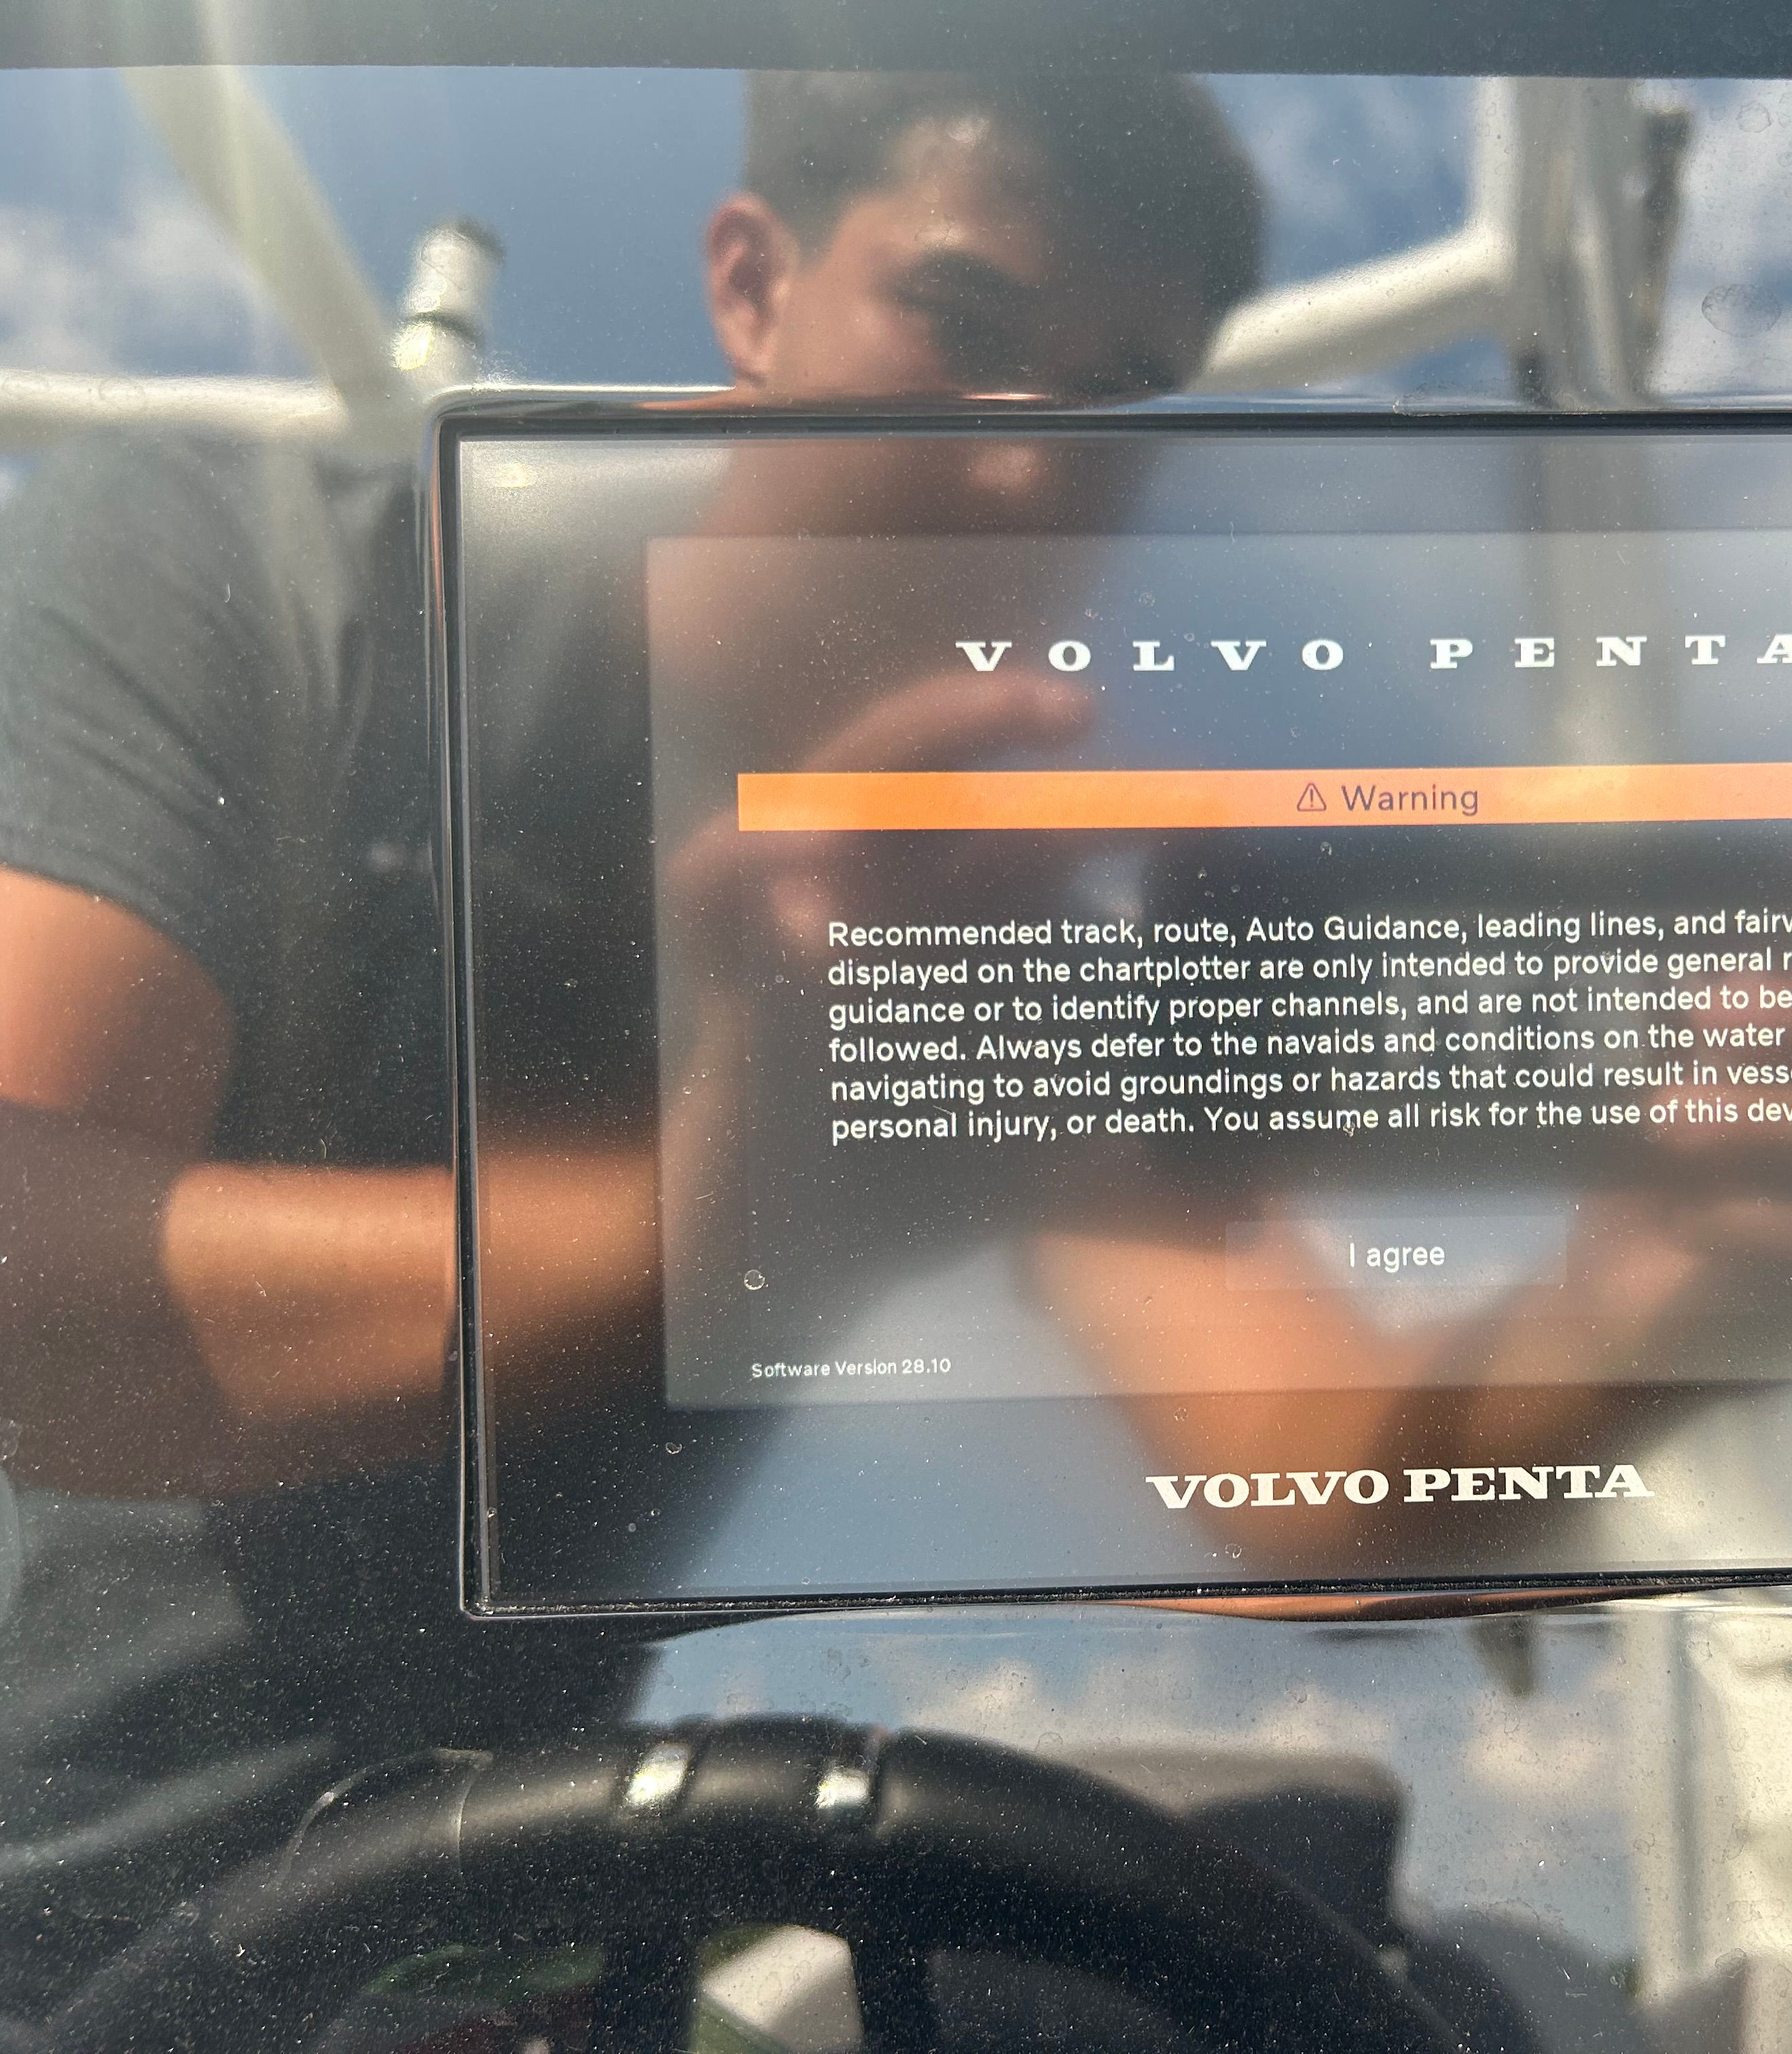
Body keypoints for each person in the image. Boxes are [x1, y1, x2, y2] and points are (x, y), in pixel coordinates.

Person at [0, 69, 1264, 2014]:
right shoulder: (244, 568)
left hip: (528, 1965)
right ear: (753, 284)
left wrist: (1662, 1272)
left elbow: (1315, 1477)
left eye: (1119, 399)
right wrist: (707, 1226)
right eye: (963, 321)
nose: (1038, 468)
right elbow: (25, 1295)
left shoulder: (966, 917)